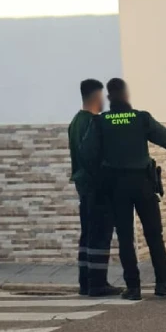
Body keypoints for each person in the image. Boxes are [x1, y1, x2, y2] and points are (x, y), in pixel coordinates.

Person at [82, 78, 166, 300]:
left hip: (116, 187)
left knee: (126, 237)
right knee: (154, 235)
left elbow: (87, 153)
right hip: (143, 185)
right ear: (127, 95)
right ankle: (164, 283)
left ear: (109, 97)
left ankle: (133, 288)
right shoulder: (141, 118)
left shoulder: (101, 122)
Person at [68, 80, 123, 297]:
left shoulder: (75, 122)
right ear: (97, 96)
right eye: (102, 97)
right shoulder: (92, 122)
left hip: (84, 187)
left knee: (88, 236)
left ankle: (86, 282)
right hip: (96, 187)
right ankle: (98, 284)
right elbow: (91, 155)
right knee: (100, 235)